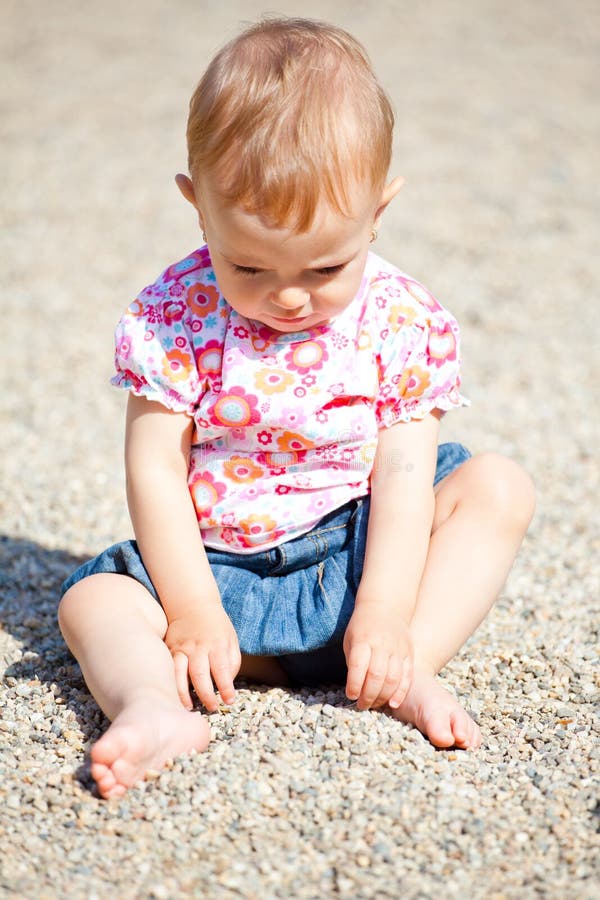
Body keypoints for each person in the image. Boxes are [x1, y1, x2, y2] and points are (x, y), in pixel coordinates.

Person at [58, 17, 535, 799]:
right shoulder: (175, 315)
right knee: (93, 601)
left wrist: (381, 608)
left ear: (378, 212)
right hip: (220, 570)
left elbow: (405, 474)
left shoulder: (401, 319)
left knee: (497, 488)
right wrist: (191, 609)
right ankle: (152, 703)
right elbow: (154, 467)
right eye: (247, 264)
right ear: (197, 207)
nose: (285, 295)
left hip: (363, 551)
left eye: (324, 266)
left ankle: (399, 661)